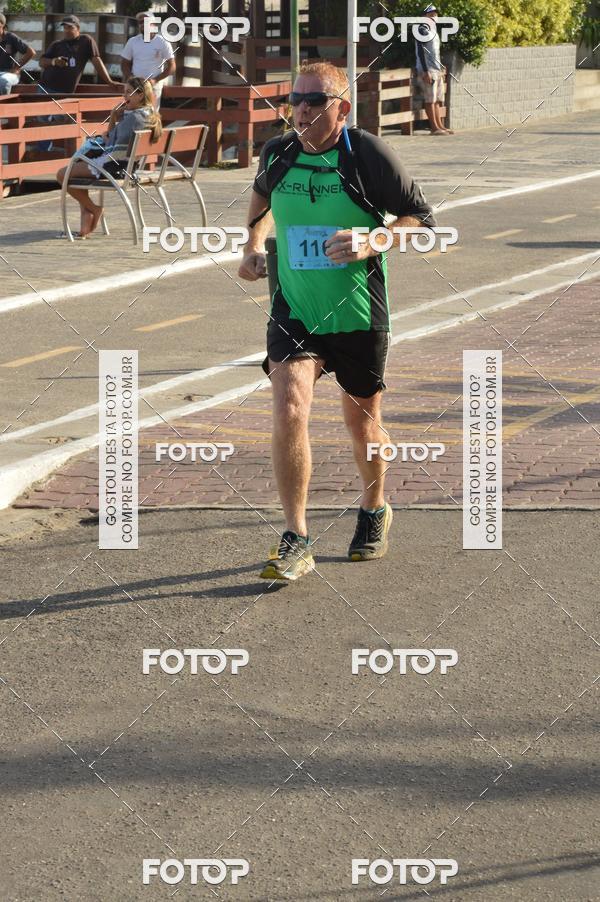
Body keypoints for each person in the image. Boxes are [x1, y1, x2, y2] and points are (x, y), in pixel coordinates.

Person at [238, 61, 435, 581]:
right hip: (295, 307)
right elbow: (262, 196)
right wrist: (253, 244)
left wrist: (374, 239)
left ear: (341, 108)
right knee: (289, 407)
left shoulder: (366, 154)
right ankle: (296, 536)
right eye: (295, 99)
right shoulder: (278, 151)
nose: (300, 109)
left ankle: (374, 508)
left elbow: (422, 219)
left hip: (357, 310)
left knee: (361, 422)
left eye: (313, 101)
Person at [56, 77, 162, 238]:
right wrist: (113, 118)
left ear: (140, 95)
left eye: (129, 92)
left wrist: (109, 128)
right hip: (128, 166)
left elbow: (110, 144)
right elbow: (115, 140)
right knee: (77, 169)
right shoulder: (148, 114)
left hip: (114, 167)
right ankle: (85, 224)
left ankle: (94, 209)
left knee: (63, 174)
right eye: (124, 92)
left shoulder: (133, 118)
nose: (124, 96)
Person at [120, 11, 175, 109]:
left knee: (151, 112)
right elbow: (124, 63)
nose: (142, 24)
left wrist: (156, 80)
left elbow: (172, 66)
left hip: (153, 85)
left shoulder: (162, 42)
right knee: (133, 112)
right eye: (140, 22)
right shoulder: (133, 41)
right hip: (135, 85)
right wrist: (131, 78)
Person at [415, 3, 453, 135]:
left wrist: (441, 68)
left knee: (437, 100)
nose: (434, 17)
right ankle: (434, 128)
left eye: (435, 15)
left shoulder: (434, 31)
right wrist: (425, 71)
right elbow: (421, 51)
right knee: (430, 100)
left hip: (436, 69)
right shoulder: (422, 30)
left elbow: (435, 52)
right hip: (427, 70)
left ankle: (440, 126)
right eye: (431, 14)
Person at [0, 13, 35, 95]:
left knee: (2, 81)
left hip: (9, 73)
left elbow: (31, 52)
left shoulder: (10, 37)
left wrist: (16, 67)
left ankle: (4, 102)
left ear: (2, 24)